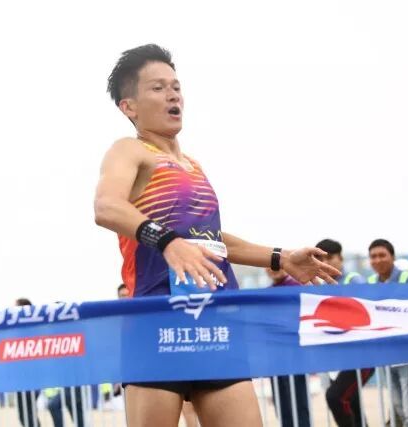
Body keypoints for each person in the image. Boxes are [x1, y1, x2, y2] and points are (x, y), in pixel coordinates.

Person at [95, 43, 339, 427]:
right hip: (156, 322)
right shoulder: (129, 150)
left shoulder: (193, 166)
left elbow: (212, 239)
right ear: (130, 107)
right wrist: (168, 242)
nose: (173, 94)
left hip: (216, 323)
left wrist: (281, 257)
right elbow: (106, 207)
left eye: (176, 86)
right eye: (158, 88)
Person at [315, 239, 372, 427]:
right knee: (351, 401)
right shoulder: (321, 287)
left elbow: (368, 309)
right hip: (341, 356)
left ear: (340, 258)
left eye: (330, 257)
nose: (325, 263)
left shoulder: (354, 280)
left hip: (362, 355)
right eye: (321, 259)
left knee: (335, 397)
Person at [367, 239, 408, 426]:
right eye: (373, 256)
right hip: (385, 353)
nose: (378, 260)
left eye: (382, 255)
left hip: (407, 352)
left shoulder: (407, 277)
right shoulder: (370, 282)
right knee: (398, 405)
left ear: (392, 257)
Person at [265, 268, 311, 427]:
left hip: (294, 355)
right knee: (281, 404)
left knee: (298, 403)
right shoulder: (266, 293)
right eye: (269, 265)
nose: (274, 269)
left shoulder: (297, 287)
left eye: (277, 265)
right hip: (274, 357)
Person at [14, 298, 43, 427]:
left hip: (29, 379)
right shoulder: (22, 330)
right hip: (24, 379)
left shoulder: (29, 330)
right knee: (27, 414)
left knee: (26, 414)